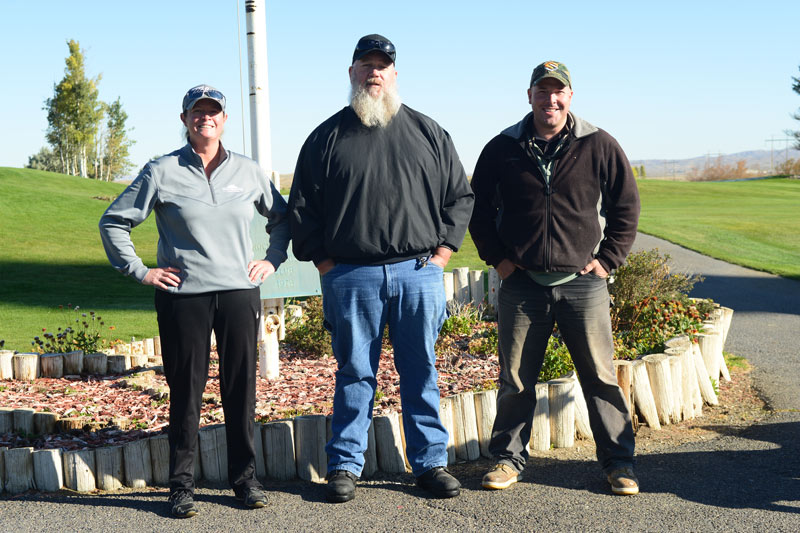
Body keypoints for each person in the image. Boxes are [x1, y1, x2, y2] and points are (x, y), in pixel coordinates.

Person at [288, 34, 474, 503]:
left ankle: (431, 463)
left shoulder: (428, 132)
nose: (374, 73)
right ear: (351, 73)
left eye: (382, 66)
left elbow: (460, 197)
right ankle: (345, 466)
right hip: (352, 276)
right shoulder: (326, 137)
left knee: (422, 370)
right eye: (365, 65)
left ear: (395, 75)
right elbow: (302, 208)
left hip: (418, 272)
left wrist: (444, 253)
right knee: (354, 372)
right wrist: (326, 262)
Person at [99, 85, 290, 517]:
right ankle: (180, 486)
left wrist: (272, 260)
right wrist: (142, 270)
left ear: (224, 120)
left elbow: (281, 219)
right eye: (197, 112)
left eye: (213, 112)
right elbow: (114, 222)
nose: (206, 118)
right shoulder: (161, 170)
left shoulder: (248, 170)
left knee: (240, 387)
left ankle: (245, 480)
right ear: (184, 119)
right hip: (183, 297)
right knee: (186, 390)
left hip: (239, 293)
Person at [469, 61, 641, 495]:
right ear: (529, 96)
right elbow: (477, 210)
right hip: (523, 284)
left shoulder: (599, 144)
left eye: (558, 92)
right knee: (515, 380)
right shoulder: (502, 147)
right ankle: (508, 460)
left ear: (570, 96)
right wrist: (500, 260)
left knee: (600, 377)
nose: (551, 99)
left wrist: (607, 260)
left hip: (584, 284)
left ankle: (619, 463)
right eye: (542, 92)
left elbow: (626, 206)